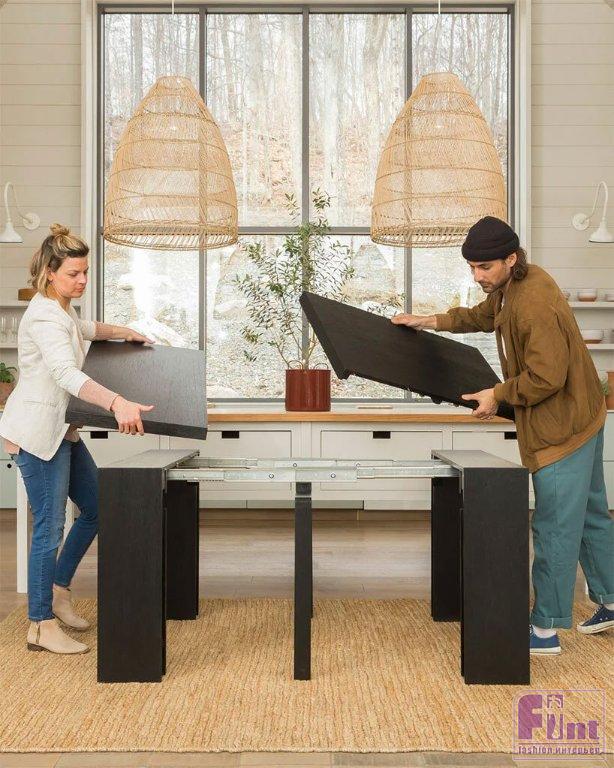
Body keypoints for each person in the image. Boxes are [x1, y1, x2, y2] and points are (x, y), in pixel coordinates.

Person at [392, 216, 614, 655]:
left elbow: (546, 377)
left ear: (511, 258)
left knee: (553, 526)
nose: (477, 276)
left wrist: (496, 394)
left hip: (562, 428)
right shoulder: (514, 285)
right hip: (585, 414)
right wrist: (429, 321)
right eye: (472, 267)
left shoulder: (533, 303)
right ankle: (610, 600)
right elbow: (482, 315)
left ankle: (545, 630)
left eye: (484, 267)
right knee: (591, 515)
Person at [0, 223, 156, 655]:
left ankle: (58, 591)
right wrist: (117, 403)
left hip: (61, 431)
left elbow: (86, 328)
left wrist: (124, 330)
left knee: (98, 506)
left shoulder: (61, 310)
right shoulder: (44, 316)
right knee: (49, 528)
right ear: (50, 273)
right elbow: (66, 374)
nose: (82, 280)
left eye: (85, 271)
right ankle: (39, 624)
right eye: (74, 273)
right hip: (38, 435)